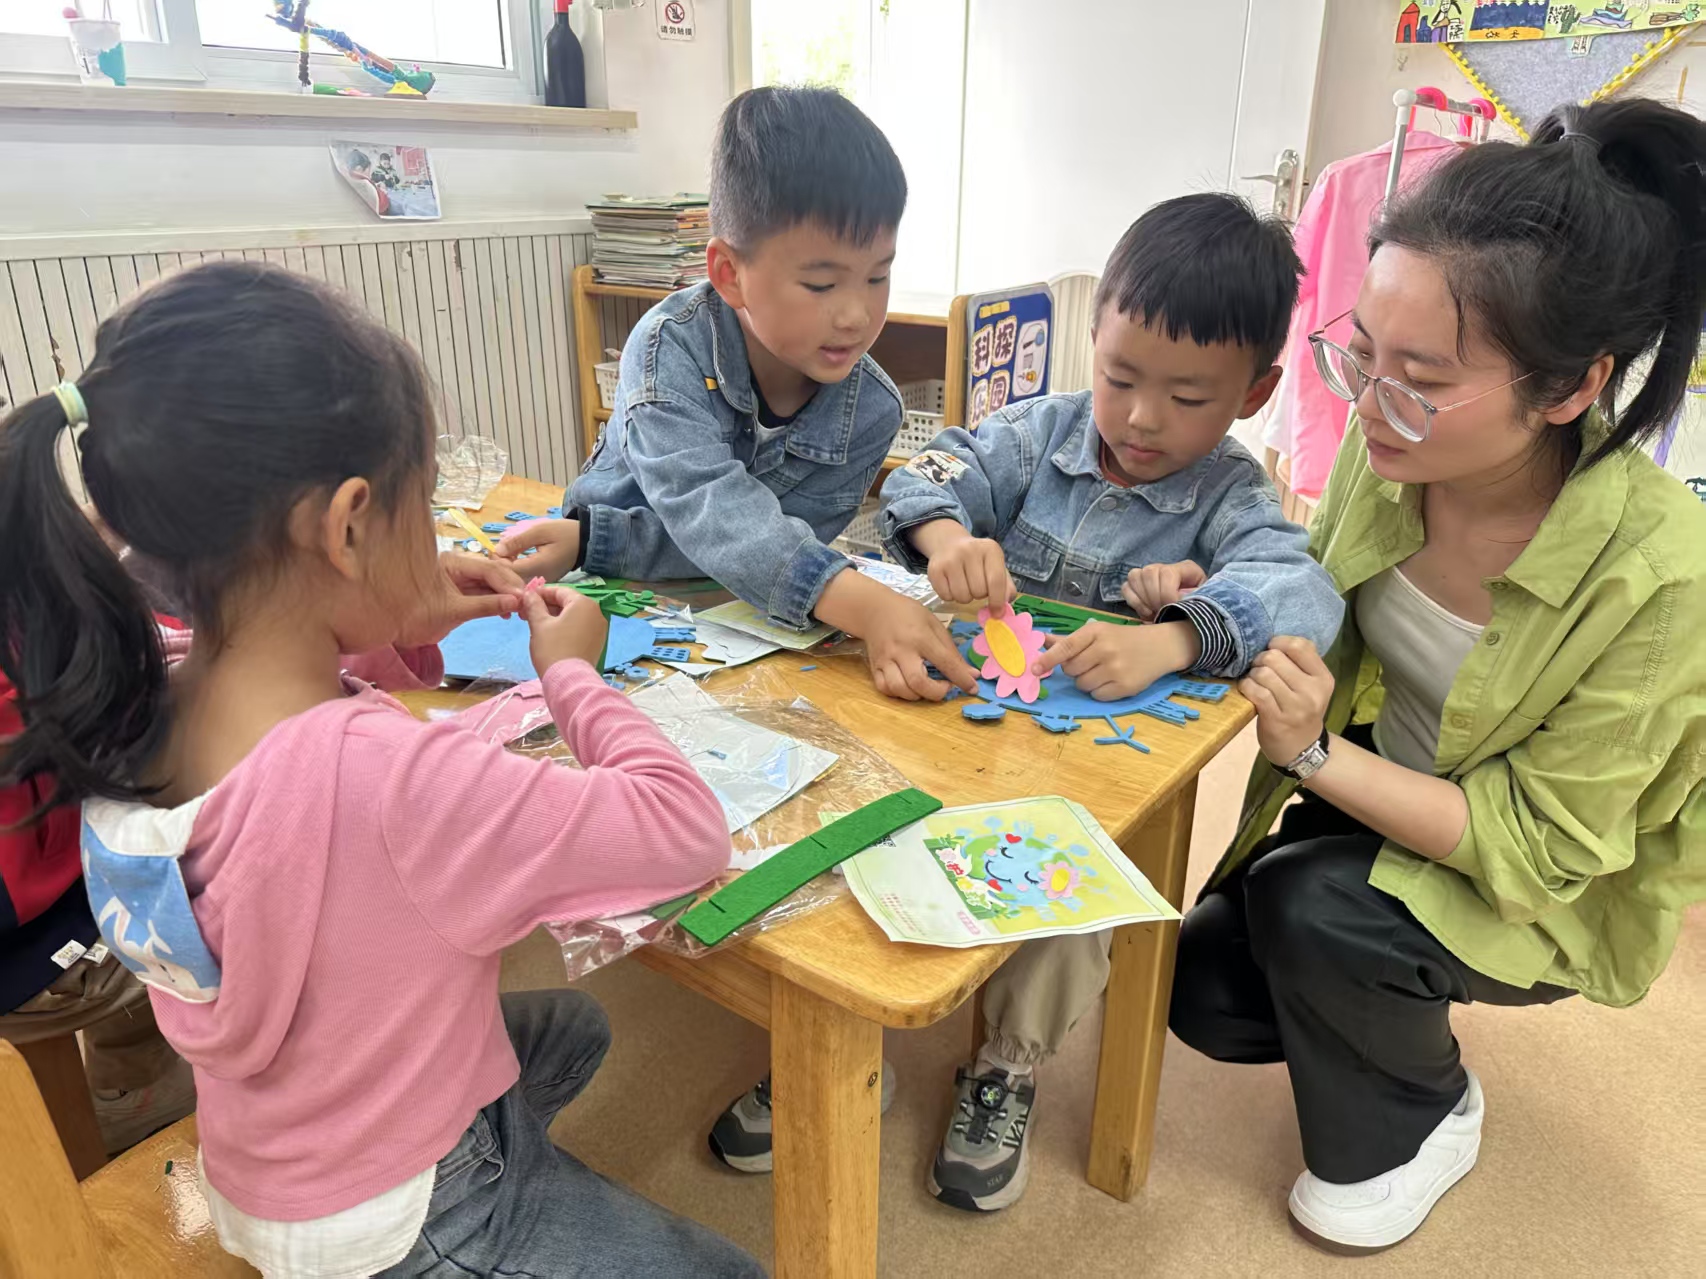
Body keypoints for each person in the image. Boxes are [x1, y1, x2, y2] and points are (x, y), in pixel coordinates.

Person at [0, 261, 763, 1279]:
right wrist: (572, 675)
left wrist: (388, 607)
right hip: (400, 1212)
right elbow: (680, 831)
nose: (433, 532)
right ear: (350, 523)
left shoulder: (131, 693)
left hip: (266, 1153)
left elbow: (295, 706)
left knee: (569, 1030)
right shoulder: (390, 777)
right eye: (425, 503)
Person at [707, 194, 1345, 1209]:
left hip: (1078, 786)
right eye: (1120, 376)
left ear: (1255, 390)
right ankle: (839, 1035)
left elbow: (1303, 591)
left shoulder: (1231, 494)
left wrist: (1173, 636)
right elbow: (929, 473)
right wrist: (948, 539)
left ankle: (1005, 1062)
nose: (1140, 417)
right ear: (1094, 340)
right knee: (856, 817)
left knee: (1067, 894)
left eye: (1186, 396)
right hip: (957, 728)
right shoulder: (1039, 432)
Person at [1169, 98, 1706, 1254]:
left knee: (1309, 912)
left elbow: (1544, 848)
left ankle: (1427, 1107)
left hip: (1542, 881)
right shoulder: (1388, 449)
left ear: (1567, 389)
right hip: (1387, 785)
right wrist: (1209, 599)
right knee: (1200, 984)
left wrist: (1315, 756)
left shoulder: (1661, 576)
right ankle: (1355, 990)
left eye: (1417, 376)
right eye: (1360, 351)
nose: (1364, 402)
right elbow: (1311, 585)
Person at [495, 85, 980, 703]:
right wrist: (867, 605)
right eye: (821, 284)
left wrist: (601, 538)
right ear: (729, 274)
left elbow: (762, 548)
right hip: (607, 592)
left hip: (732, 612)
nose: (857, 315)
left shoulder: (872, 410)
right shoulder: (668, 351)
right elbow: (713, 513)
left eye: (878, 275)